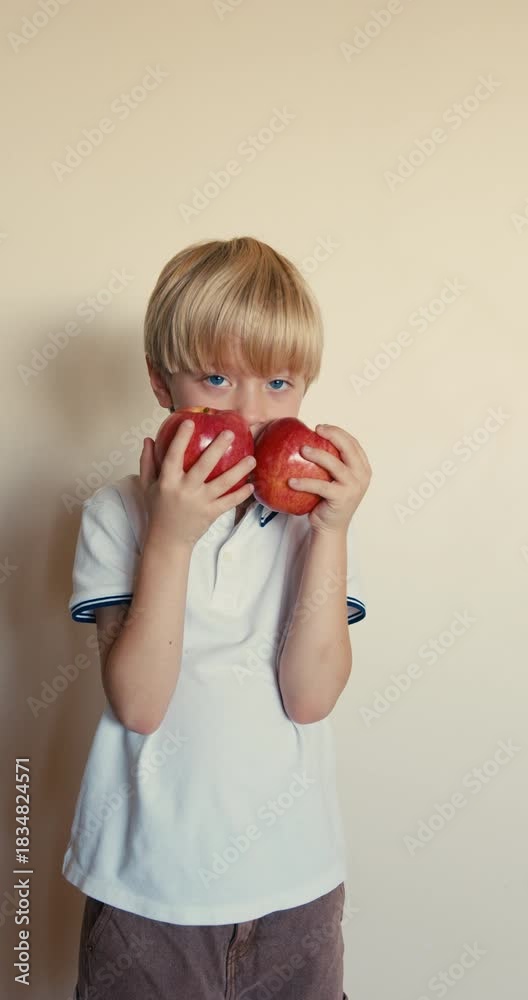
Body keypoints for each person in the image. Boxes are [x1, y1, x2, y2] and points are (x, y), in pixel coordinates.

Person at [63, 235, 372, 999]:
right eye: (215, 378)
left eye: (278, 382)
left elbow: (311, 697)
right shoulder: (118, 513)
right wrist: (170, 539)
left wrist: (332, 533)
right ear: (160, 382)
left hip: (296, 880)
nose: (249, 411)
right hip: (147, 888)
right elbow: (140, 704)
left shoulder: (312, 519)